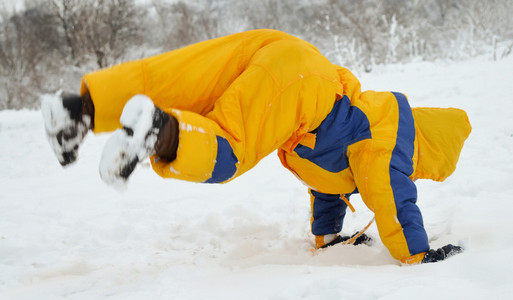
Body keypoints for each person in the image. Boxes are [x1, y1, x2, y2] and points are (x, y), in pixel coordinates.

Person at [41, 29, 471, 265]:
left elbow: (326, 186)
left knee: (187, 80)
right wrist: (418, 254)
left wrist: (328, 238)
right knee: (230, 149)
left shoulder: (356, 145)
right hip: (301, 84)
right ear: (430, 152)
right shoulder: (389, 144)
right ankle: (160, 131)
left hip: (287, 52)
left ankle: (79, 111)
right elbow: (391, 198)